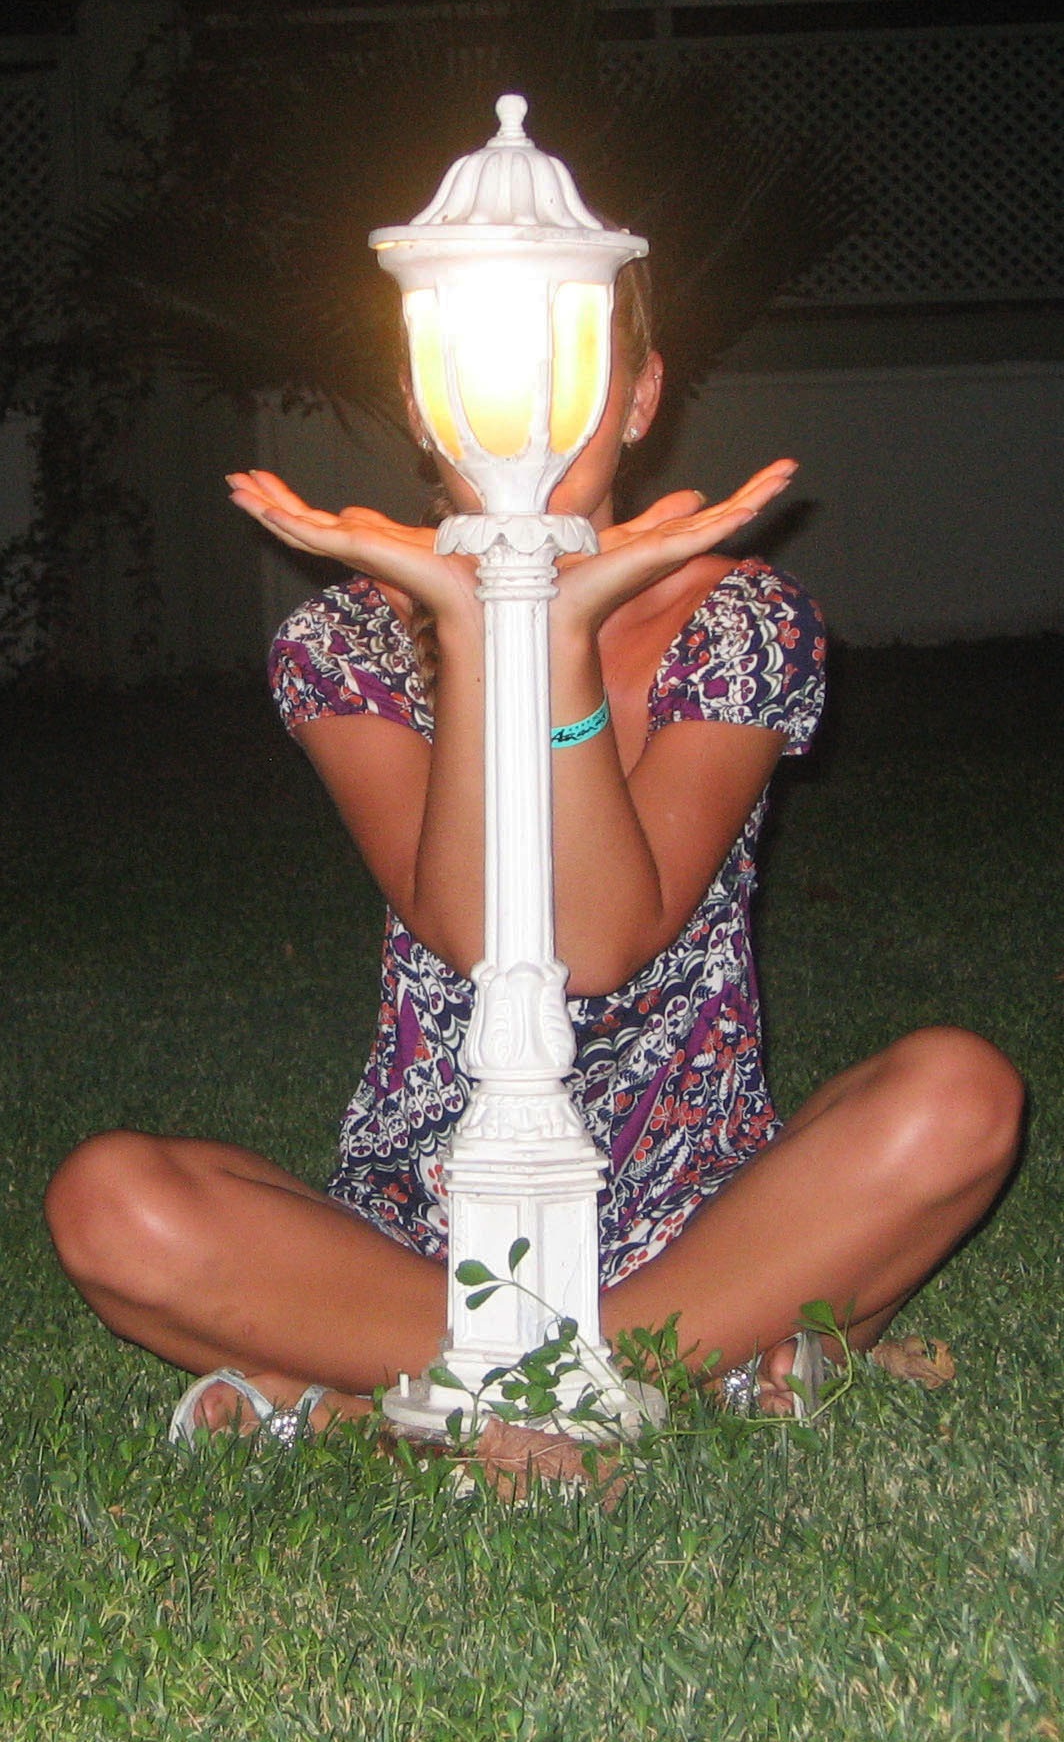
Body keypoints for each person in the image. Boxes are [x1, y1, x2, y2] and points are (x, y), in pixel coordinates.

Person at [44, 262, 1023, 1439]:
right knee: (110, 1205)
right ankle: (678, 1369)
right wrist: (471, 623)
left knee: (959, 1096)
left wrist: (557, 641)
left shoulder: (740, 621)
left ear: (640, 394)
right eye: (492, 376)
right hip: (426, 1222)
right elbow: (470, 934)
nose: (530, 430)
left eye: (571, 377)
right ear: (426, 397)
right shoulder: (345, 640)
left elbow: (599, 946)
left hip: (702, 1213)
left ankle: (395, 1391)